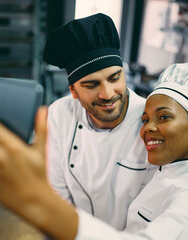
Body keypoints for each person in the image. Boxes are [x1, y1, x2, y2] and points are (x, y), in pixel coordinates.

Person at [0, 63, 188, 239]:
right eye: (145, 119)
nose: (148, 129)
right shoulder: (173, 169)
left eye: (163, 118)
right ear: (74, 91)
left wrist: (38, 202)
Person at [43, 13, 157, 229]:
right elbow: (57, 189)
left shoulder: (151, 121)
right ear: (73, 91)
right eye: (91, 85)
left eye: (115, 78)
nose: (107, 93)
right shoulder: (59, 113)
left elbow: (152, 211)